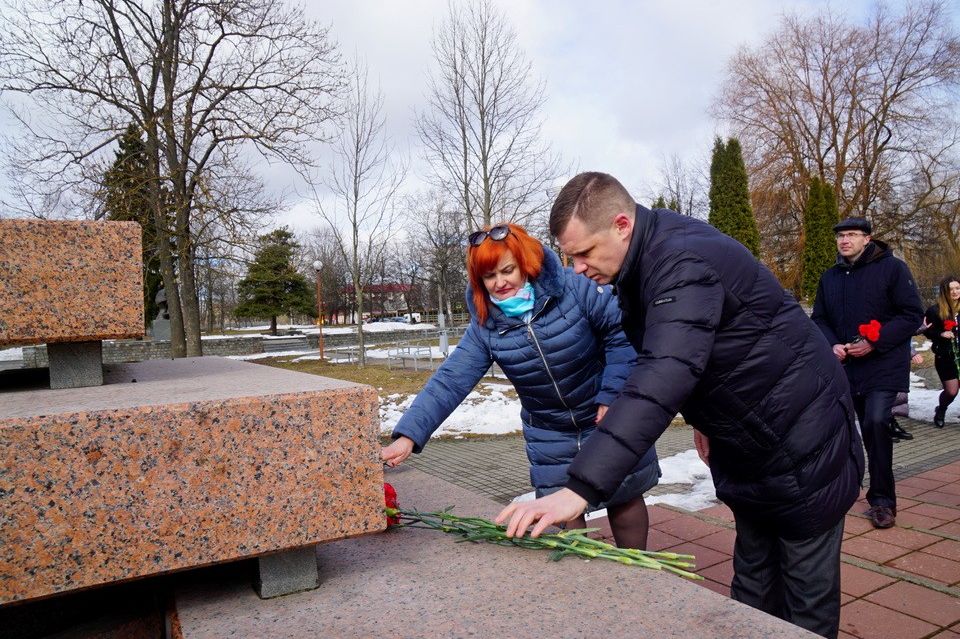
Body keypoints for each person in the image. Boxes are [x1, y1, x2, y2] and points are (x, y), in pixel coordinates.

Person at [496, 172, 863, 639]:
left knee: (805, 592)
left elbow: (662, 374)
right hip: (752, 438)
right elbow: (696, 354)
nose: (577, 267)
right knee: (753, 579)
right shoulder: (644, 262)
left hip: (802, 436)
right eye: (570, 256)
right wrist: (706, 417)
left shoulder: (681, 259)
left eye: (585, 252)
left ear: (622, 224)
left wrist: (580, 489)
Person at [382, 222, 660, 549]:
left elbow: (623, 334)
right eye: (488, 276)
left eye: (507, 270)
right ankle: (588, 582)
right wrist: (408, 436)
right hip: (550, 430)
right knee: (563, 514)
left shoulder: (576, 289)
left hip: (606, 414)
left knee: (623, 495)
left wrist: (613, 396)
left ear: (525, 263)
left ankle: (639, 573)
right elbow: (451, 380)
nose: (499, 283)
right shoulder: (487, 325)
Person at [811, 217, 924, 531]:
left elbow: (912, 314)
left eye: (851, 234)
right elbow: (819, 318)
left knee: (875, 422)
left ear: (867, 238)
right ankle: (842, 491)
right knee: (843, 430)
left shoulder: (892, 269)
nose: (844, 240)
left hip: (883, 364)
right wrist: (831, 343)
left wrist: (875, 341)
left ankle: (883, 501)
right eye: (840, 236)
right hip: (846, 367)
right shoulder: (830, 277)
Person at [923, 276, 960, 428]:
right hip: (946, 356)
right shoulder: (935, 310)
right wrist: (941, 334)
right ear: (945, 292)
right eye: (951, 289)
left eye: (957, 288)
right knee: (951, 391)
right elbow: (927, 331)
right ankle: (941, 410)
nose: (955, 292)